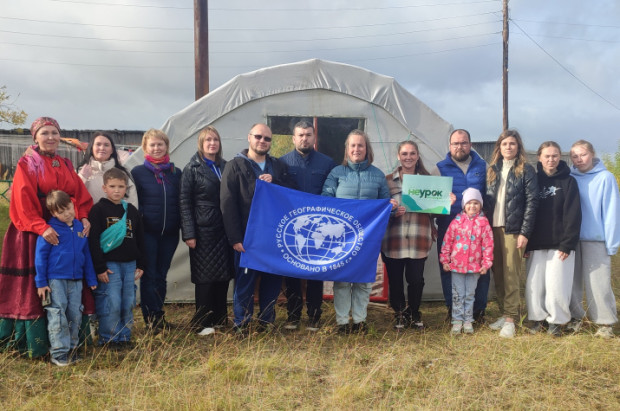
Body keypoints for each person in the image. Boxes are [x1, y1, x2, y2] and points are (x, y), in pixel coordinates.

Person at [0, 117, 93, 358]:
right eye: (45, 133)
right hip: (35, 229)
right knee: (37, 281)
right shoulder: (26, 164)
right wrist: (41, 227)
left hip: (65, 226)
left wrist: (82, 216)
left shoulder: (64, 163)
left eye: (54, 132)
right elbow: (22, 199)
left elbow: (79, 194)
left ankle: (70, 343)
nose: (50, 137)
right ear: (35, 137)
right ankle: (36, 343)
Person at [322, 129, 397, 334]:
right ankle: (342, 322)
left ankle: (360, 320)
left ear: (367, 149)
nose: (356, 149)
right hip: (341, 237)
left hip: (368, 237)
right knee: (343, 280)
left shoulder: (377, 175)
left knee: (363, 280)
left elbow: (384, 203)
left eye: (360, 145)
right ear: (347, 149)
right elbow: (325, 200)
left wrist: (390, 207)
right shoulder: (336, 173)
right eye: (352, 145)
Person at [220, 123, 293, 333]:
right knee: (245, 282)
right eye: (258, 137)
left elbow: (291, 194)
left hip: (274, 236)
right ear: (249, 137)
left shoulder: (278, 166)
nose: (263, 141)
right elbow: (227, 203)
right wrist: (235, 238)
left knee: (272, 280)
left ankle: (267, 321)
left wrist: (276, 182)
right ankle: (242, 323)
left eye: (267, 138)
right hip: (247, 237)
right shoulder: (234, 166)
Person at [279, 121, 336, 331]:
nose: (305, 138)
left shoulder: (327, 163)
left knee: (315, 273)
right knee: (292, 272)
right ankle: (293, 315)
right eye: (301, 135)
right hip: (293, 227)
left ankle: (314, 316)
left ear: (314, 138)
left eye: (308, 135)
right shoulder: (281, 163)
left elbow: (332, 193)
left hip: (318, 228)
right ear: (293, 138)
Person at [180, 126, 234, 336]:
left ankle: (219, 318)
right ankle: (201, 321)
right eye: (208, 140)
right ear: (201, 143)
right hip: (203, 229)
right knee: (205, 277)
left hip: (224, 227)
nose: (212, 143)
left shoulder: (226, 165)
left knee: (223, 275)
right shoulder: (192, 168)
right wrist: (189, 233)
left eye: (216, 140)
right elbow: (184, 202)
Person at [35, 190, 97, 366]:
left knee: (74, 314)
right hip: (56, 280)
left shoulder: (80, 227)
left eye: (69, 208)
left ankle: (72, 348)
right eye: (61, 212)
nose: (67, 213)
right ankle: (59, 352)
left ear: (73, 205)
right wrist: (41, 282)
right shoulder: (50, 230)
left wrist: (91, 279)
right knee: (57, 314)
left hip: (76, 280)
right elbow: (40, 257)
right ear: (53, 213)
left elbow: (86, 254)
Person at [485, 129, 538, 338]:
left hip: (513, 230)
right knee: (497, 273)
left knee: (511, 273)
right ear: (499, 147)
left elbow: (533, 202)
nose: (508, 147)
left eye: (512, 144)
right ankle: (504, 313)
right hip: (492, 228)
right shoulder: (492, 170)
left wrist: (525, 232)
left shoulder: (526, 170)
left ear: (518, 147)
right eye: (505, 143)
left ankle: (511, 319)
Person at [525, 142, 581, 337]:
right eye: (547, 156)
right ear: (539, 157)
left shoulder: (569, 182)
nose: (551, 159)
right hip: (536, 243)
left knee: (557, 285)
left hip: (561, 244)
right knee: (534, 285)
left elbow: (573, 215)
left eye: (555, 156)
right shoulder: (533, 179)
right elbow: (528, 212)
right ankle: (537, 320)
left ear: (560, 158)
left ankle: (556, 322)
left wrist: (568, 243)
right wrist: (527, 242)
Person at [434, 129, 489, 323]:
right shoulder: (439, 168)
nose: (460, 146)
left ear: (470, 144)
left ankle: (478, 310)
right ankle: (454, 309)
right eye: (456, 143)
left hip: (477, 229)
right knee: (448, 268)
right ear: (449, 146)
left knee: (480, 268)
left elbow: (489, 196)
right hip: (450, 227)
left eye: (464, 143)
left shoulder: (482, 166)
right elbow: (432, 201)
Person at [568, 140, 619, 338]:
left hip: (595, 238)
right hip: (571, 238)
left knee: (598, 283)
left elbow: (612, 211)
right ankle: (575, 317)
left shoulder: (605, 178)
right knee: (572, 282)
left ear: (592, 154)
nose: (579, 160)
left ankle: (605, 322)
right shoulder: (569, 177)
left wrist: (612, 242)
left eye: (583, 155)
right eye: (575, 156)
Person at [131, 129, 181, 331]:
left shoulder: (176, 173)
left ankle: (159, 314)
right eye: (152, 145)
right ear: (145, 148)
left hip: (169, 233)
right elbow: (134, 203)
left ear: (166, 146)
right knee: (149, 274)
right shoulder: (137, 173)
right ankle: (150, 319)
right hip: (148, 233)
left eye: (160, 144)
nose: (157, 148)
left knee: (162, 274)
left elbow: (181, 200)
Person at [89, 168, 145, 348]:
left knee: (127, 302)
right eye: (112, 186)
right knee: (110, 301)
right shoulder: (98, 210)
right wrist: (99, 267)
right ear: (104, 188)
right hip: (109, 265)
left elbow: (140, 238)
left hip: (130, 265)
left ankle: (124, 337)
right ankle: (109, 338)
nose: (116, 190)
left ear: (126, 188)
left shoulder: (132, 211)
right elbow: (93, 240)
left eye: (121, 186)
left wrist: (141, 263)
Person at [381, 140, 434, 330]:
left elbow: (435, 212)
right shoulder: (387, 181)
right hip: (394, 239)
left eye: (412, 153)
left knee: (416, 280)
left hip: (419, 238)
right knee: (395, 280)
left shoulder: (428, 181)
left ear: (418, 156)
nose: (408, 157)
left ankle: (414, 312)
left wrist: (447, 201)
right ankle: (399, 313)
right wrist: (392, 211)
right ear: (398, 156)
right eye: (404, 154)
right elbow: (379, 211)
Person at [440, 188, 493, 335]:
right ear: (464, 205)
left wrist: (486, 264)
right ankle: (457, 321)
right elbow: (447, 242)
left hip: (474, 267)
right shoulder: (456, 222)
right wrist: (445, 260)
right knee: (457, 294)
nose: (472, 206)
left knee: (470, 294)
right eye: (469, 203)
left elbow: (488, 245)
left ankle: (468, 320)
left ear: (480, 205)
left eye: (476, 203)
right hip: (457, 266)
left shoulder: (484, 223)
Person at [78, 131, 138, 207]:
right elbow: (73, 196)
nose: (102, 148)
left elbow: (132, 201)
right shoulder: (81, 171)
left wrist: (130, 217)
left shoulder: (122, 173)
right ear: (92, 148)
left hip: (118, 218)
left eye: (106, 145)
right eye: (98, 144)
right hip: (87, 218)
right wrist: (82, 177)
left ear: (112, 150)